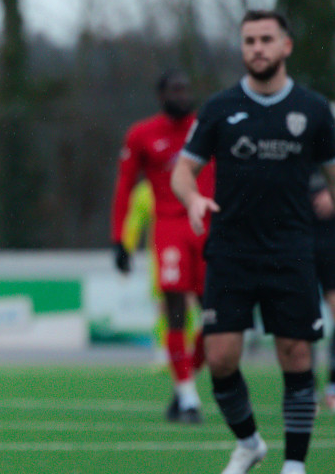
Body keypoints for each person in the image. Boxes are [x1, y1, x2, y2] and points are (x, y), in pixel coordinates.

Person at [172, 10, 335, 474]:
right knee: (221, 357)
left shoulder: (313, 109)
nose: (257, 48)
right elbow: (184, 171)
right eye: (249, 41)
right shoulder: (220, 108)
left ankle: (295, 465)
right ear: (242, 49)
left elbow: (333, 175)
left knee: (296, 353)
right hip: (230, 250)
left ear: (285, 46)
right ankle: (249, 444)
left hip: (291, 249)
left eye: (266, 39)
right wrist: (193, 200)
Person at [110, 69, 214, 422]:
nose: (182, 95)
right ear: (161, 95)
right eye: (175, 89)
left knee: (217, 318)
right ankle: (187, 397)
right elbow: (124, 187)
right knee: (175, 311)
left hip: (207, 228)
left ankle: (184, 384)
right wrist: (119, 241)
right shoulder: (142, 134)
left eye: (186, 88)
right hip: (169, 229)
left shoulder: (206, 128)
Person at [309, 179, 335, 412]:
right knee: (303, 316)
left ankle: (334, 385)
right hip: (300, 239)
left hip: (333, 240)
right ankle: (307, 388)